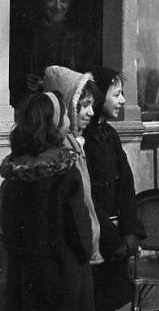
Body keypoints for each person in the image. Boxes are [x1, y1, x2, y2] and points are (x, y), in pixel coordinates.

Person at [0, 90, 95, 310]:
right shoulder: (65, 173)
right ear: (55, 123)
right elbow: (80, 234)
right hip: (64, 280)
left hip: (23, 281)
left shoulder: (13, 176)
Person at [84, 66, 145, 311]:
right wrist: (112, 239)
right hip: (99, 239)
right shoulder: (82, 139)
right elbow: (86, 195)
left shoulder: (109, 134)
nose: (122, 100)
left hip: (117, 240)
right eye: (116, 94)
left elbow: (126, 186)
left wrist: (130, 231)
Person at [42, 65, 104, 268]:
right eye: (84, 105)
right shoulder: (64, 148)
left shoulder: (76, 142)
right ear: (69, 104)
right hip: (71, 255)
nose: (91, 112)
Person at [10, 0, 89, 105]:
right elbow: (11, 68)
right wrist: (23, 79)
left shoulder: (76, 35)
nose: (58, 7)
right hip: (33, 102)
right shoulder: (27, 33)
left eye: (63, 0)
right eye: (52, 0)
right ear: (42, 2)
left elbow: (85, 72)